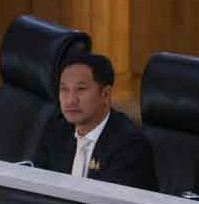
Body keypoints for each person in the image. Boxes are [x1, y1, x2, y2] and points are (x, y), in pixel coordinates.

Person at [32, 53, 158, 191]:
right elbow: (36, 183)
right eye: (64, 89)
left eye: (81, 89)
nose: (70, 100)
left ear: (105, 94)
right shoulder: (57, 131)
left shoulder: (130, 146)